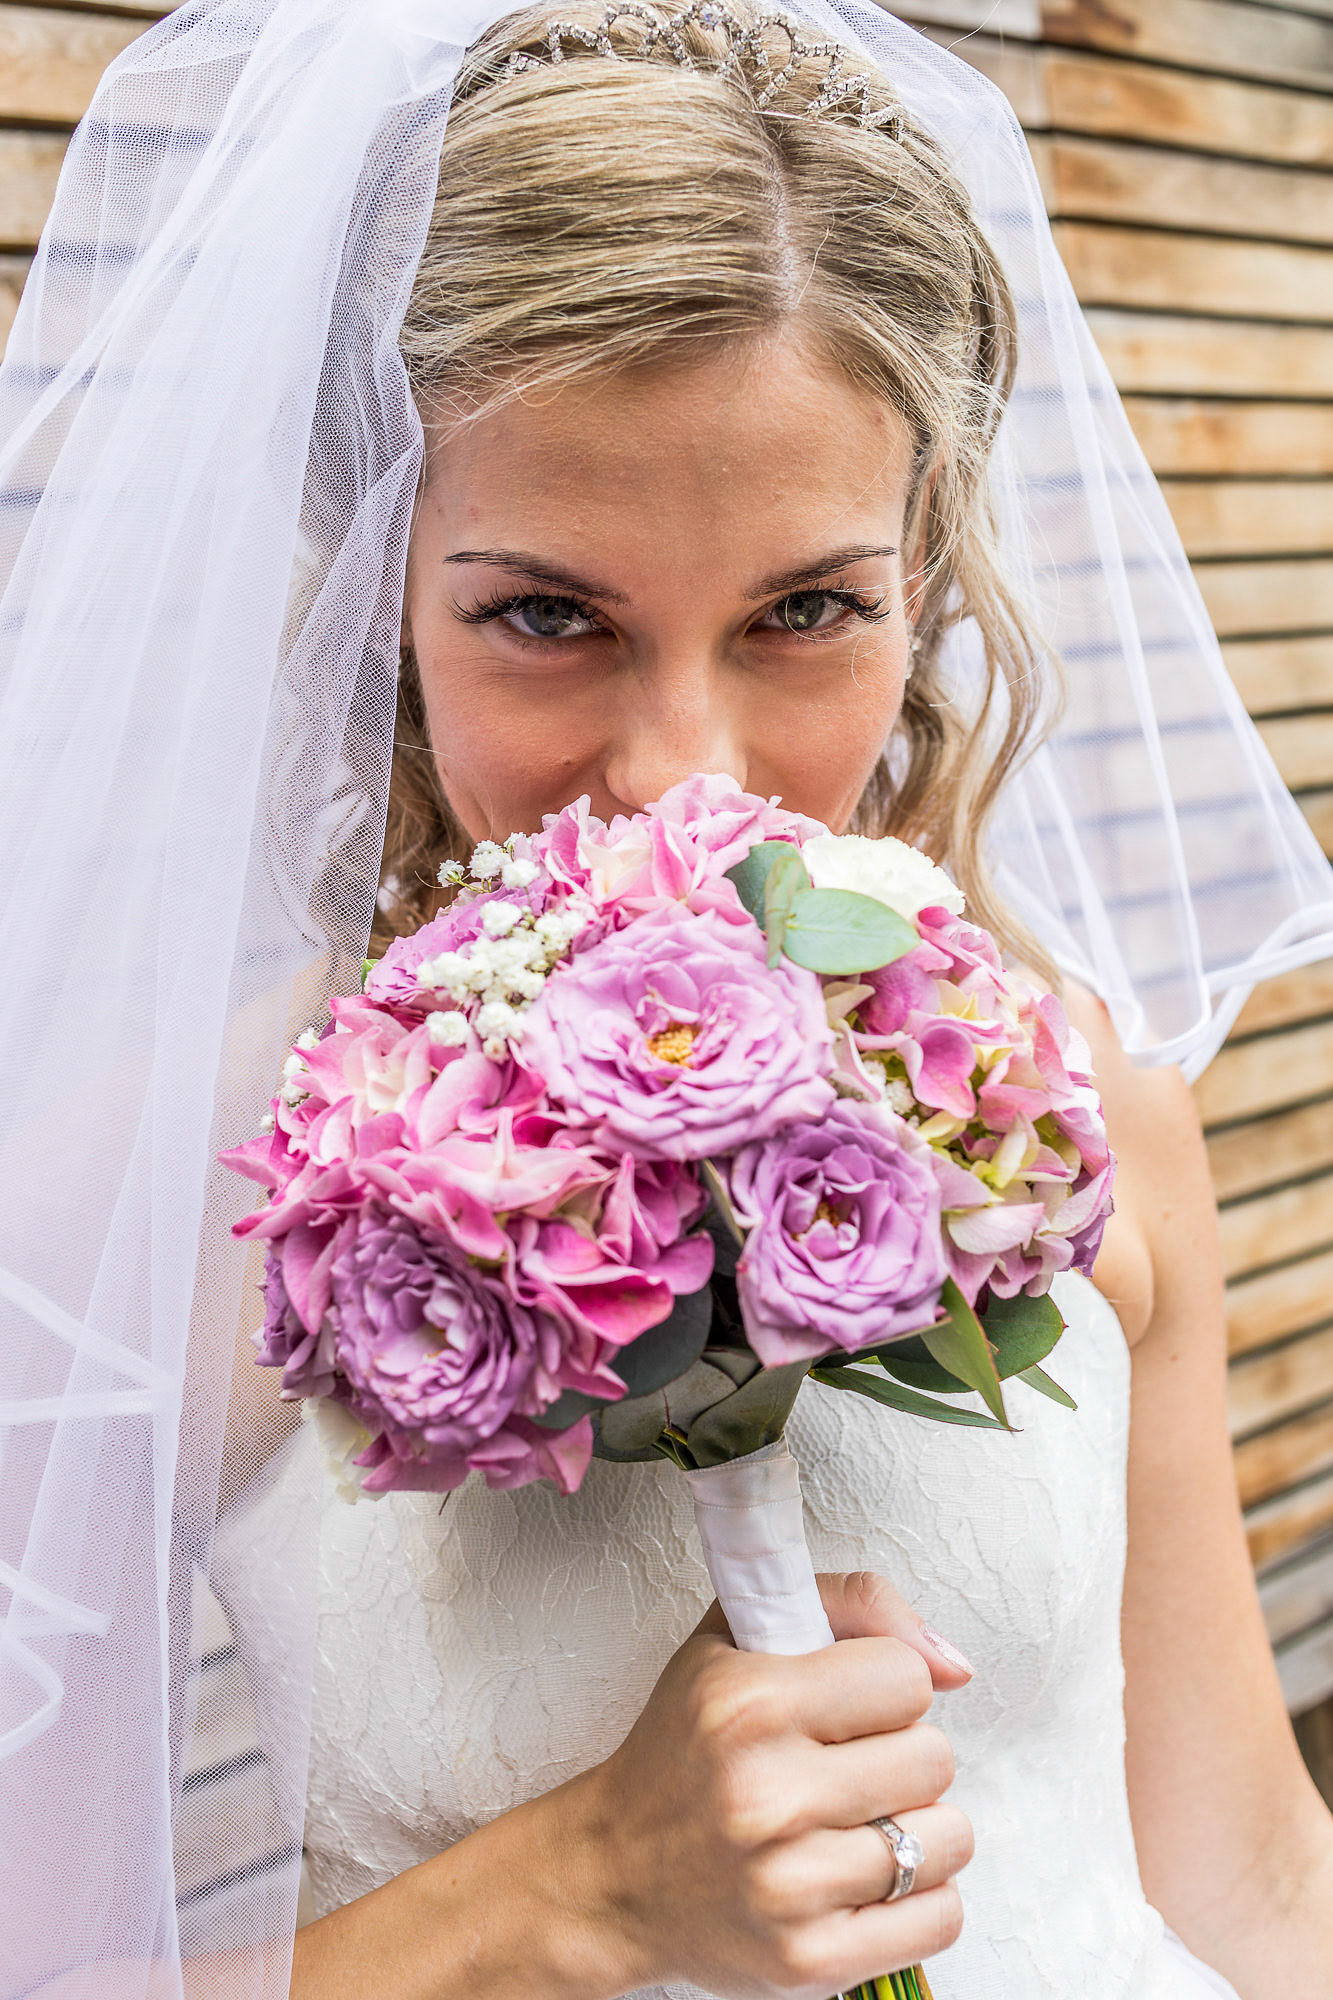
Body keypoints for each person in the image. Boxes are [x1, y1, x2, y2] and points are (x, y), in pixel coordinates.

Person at [3, 2, 1333, 1997]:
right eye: (547, 614)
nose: (683, 776)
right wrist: (577, 1890)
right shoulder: (151, 1189)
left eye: (805, 610)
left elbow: (1246, 1870)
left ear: (919, 580)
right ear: (382, 589)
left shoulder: (1062, 1103)